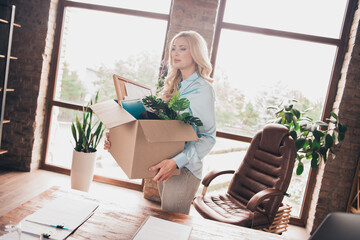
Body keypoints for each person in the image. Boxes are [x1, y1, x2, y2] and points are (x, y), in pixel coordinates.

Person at [104, 30, 216, 215]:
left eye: (182, 48)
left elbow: (208, 138)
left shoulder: (202, 89)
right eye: (173, 48)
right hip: (167, 165)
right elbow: (156, 126)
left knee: (172, 227)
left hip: (184, 169)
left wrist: (176, 161)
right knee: (166, 220)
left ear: (195, 53)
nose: (175, 53)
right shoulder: (175, 86)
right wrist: (119, 137)